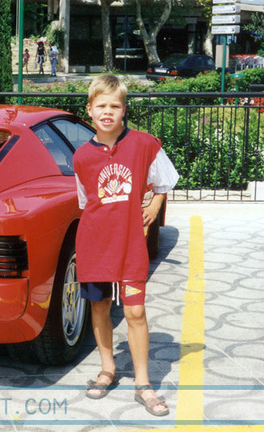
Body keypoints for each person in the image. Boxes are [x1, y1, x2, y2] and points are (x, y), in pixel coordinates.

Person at [73, 74, 179, 417]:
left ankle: (144, 383)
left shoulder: (144, 144)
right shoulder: (81, 157)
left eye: (114, 106)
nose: (108, 112)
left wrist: (154, 203)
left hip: (131, 243)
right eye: (101, 105)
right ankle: (108, 369)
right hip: (94, 243)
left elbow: (165, 179)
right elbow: (84, 202)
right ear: (89, 109)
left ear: (124, 110)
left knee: (134, 311)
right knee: (100, 305)